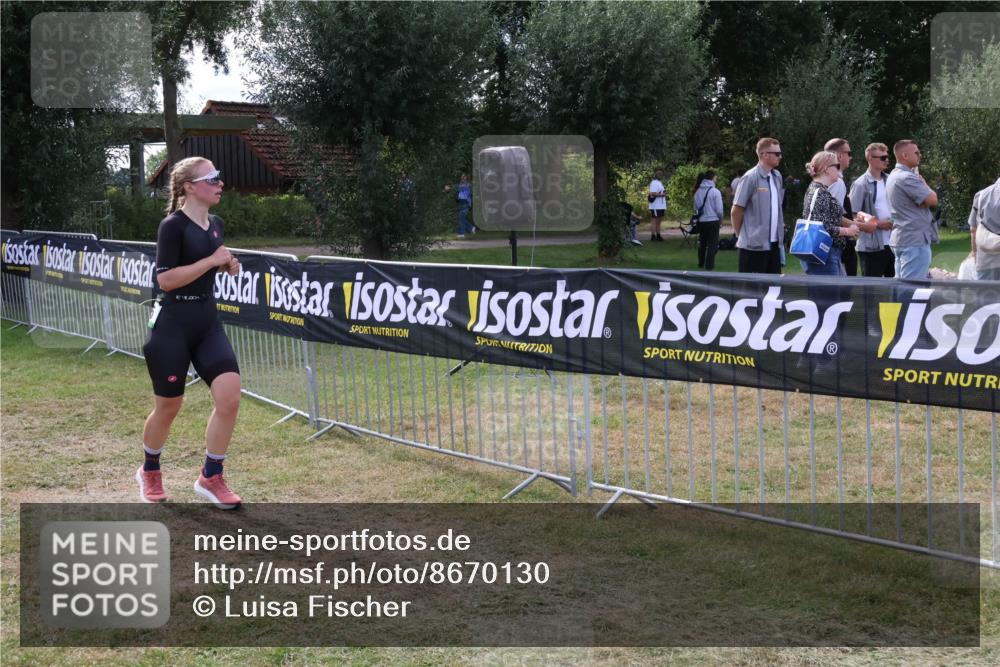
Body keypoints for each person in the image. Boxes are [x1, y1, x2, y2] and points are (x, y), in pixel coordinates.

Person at [138, 157, 243, 509]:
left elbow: (210, 263)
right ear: (189, 187)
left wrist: (228, 264)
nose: (220, 183)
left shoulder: (216, 224)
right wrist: (212, 261)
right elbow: (165, 280)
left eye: (219, 176)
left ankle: (211, 475)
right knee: (169, 407)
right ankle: (150, 469)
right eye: (212, 178)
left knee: (229, 398)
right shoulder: (172, 226)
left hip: (207, 323)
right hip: (172, 326)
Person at [798, 151, 863, 275]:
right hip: (824, 252)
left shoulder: (820, 190)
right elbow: (821, 227)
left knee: (833, 292)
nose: (839, 170)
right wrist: (848, 231)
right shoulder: (819, 192)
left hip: (828, 252)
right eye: (837, 166)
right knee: (829, 294)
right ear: (826, 169)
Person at [886, 139, 938, 279]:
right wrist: (925, 184)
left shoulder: (894, 175)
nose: (919, 155)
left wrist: (923, 200)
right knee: (911, 289)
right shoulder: (906, 177)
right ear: (905, 155)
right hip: (914, 241)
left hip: (904, 237)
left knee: (901, 286)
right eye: (916, 152)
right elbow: (933, 200)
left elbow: (925, 201)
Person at [732, 138, 785, 274]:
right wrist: (744, 236)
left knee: (773, 291)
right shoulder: (750, 177)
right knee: (752, 292)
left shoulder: (777, 176)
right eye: (777, 153)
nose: (780, 156)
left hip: (774, 246)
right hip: (753, 248)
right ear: (764, 154)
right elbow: (736, 211)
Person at [848, 143, 895, 277]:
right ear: (870, 158)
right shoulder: (860, 184)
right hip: (871, 247)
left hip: (894, 243)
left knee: (895, 287)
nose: (886, 160)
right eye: (882, 157)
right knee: (871, 290)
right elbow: (853, 214)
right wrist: (878, 223)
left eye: (887, 157)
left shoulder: (890, 180)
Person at [823, 138, 859, 275]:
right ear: (839, 155)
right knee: (837, 292)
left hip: (826, 244)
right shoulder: (837, 181)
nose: (851, 157)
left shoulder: (824, 178)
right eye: (849, 153)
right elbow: (832, 216)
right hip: (831, 245)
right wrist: (854, 227)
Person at [969, 177, 1000, 281]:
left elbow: (973, 229)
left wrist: (974, 253)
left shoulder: (981, 195)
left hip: (986, 260)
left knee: (985, 295)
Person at [692, 170, 724, 270]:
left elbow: (695, 208)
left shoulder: (698, 191)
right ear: (713, 178)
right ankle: (709, 266)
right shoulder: (715, 191)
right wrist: (721, 219)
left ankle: (701, 263)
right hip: (713, 220)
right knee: (712, 244)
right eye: (716, 178)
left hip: (702, 221)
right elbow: (719, 209)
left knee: (702, 243)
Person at [444, 174, 474, 238]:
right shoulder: (461, 184)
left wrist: (449, 187)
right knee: (461, 217)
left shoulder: (467, 185)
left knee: (461, 217)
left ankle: (461, 233)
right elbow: (457, 187)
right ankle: (471, 228)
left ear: (467, 178)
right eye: (462, 177)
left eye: (464, 177)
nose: (463, 178)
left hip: (465, 203)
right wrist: (447, 188)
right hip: (461, 202)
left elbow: (458, 188)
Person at [648, 169, 667, 241]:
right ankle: (653, 236)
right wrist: (662, 195)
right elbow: (652, 193)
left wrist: (664, 194)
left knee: (659, 221)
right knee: (654, 221)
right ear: (656, 175)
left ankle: (658, 235)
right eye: (660, 174)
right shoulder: (653, 182)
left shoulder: (660, 182)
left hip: (661, 205)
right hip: (655, 205)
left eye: (661, 174)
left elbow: (660, 192)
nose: (661, 175)